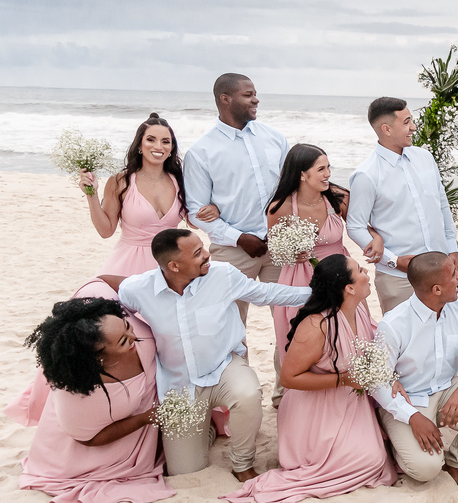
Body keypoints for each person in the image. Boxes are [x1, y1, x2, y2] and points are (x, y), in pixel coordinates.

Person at [112, 228, 311, 480]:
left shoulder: (223, 275)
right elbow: (111, 294)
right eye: (197, 253)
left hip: (224, 368)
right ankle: (210, 430)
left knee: (248, 393)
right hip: (179, 385)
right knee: (183, 470)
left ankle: (242, 464)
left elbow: (266, 293)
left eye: (203, 248)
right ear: (174, 266)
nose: (207, 255)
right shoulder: (138, 289)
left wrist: (316, 294)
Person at [223, 255, 398, 503]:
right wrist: (343, 379)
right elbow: (289, 378)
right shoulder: (317, 325)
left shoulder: (359, 309)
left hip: (352, 403)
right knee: (367, 461)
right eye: (360, 270)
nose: (366, 273)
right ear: (349, 288)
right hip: (315, 408)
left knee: (376, 459)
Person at [13, 288, 175, 503]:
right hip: (93, 451)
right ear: (98, 358)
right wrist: (144, 418)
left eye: (127, 327)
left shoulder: (117, 326)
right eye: (123, 341)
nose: (133, 338)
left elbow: (103, 282)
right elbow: (89, 439)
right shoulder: (79, 397)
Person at [183, 73, 290, 403]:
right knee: (229, 327)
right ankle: (238, 398)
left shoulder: (275, 139)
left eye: (255, 93)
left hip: (280, 247)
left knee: (289, 321)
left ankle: (286, 395)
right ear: (225, 99)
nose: (255, 99)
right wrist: (239, 237)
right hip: (232, 252)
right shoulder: (202, 152)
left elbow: (292, 188)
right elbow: (195, 210)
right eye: (248, 94)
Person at [372, 252, 458, 486]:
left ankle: (457, 460)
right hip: (407, 402)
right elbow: (378, 383)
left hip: (446, 390)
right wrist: (412, 416)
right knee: (426, 469)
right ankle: (394, 443)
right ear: (436, 289)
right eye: (453, 274)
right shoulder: (393, 324)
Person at [265, 143, 378, 362]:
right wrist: (291, 254)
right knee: (305, 337)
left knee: (353, 334)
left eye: (328, 167)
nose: (328, 174)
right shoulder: (280, 207)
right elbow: (274, 248)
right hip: (301, 277)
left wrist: (376, 237)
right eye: (321, 169)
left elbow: (359, 225)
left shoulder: (338, 197)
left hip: (341, 274)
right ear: (302, 175)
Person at [347, 97, 458, 314]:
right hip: (398, 279)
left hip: (441, 271)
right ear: (386, 129)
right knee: (403, 335)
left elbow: (442, 206)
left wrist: (451, 248)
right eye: (406, 122)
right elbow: (355, 226)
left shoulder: (425, 158)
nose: (413, 127)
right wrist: (393, 261)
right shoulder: (366, 175)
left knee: (446, 331)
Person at [78, 113, 210, 277]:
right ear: (139, 145)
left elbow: (195, 223)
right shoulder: (120, 182)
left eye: (165, 141)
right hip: (128, 267)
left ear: (171, 148)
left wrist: (213, 208)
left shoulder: (181, 182)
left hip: (170, 267)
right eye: (151, 140)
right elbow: (106, 231)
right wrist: (91, 195)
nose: (158, 146)